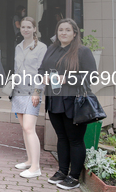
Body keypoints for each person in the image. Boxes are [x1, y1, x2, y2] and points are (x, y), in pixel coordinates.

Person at [36, 18, 97, 190]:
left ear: (75, 33)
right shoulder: (51, 49)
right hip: (54, 100)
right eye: (60, 30)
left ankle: (74, 176)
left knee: (75, 140)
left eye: (67, 30)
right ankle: (62, 171)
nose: (63, 33)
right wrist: (43, 77)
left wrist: (66, 79)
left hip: (73, 101)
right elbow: (41, 69)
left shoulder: (83, 51)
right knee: (61, 138)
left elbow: (92, 77)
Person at [10, 17, 47, 178]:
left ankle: (36, 167)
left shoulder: (41, 47)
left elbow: (43, 72)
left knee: (29, 128)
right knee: (24, 129)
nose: (25, 29)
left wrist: (37, 92)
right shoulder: (18, 47)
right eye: (23, 27)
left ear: (34, 29)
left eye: (28, 27)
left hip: (32, 92)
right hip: (18, 91)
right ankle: (29, 160)